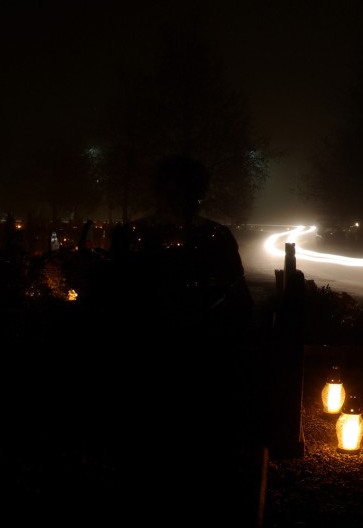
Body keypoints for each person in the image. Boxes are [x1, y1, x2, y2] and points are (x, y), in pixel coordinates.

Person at [85, 155, 259, 523]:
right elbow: (236, 297)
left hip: (162, 352)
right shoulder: (210, 236)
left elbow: (112, 296)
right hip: (181, 353)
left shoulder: (138, 235)